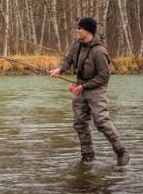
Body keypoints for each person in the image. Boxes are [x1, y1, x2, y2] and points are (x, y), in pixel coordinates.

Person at [48, 17, 130, 166]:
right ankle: (87, 156)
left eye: (79, 28)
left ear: (87, 31)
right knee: (79, 123)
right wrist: (59, 70)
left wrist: (84, 87)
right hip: (81, 88)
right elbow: (68, 59)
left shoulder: (99, 51)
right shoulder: (77, 45)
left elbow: (104, 77)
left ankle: (121, 152)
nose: (77, 30)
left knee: (101, 122)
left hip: (96, 90)